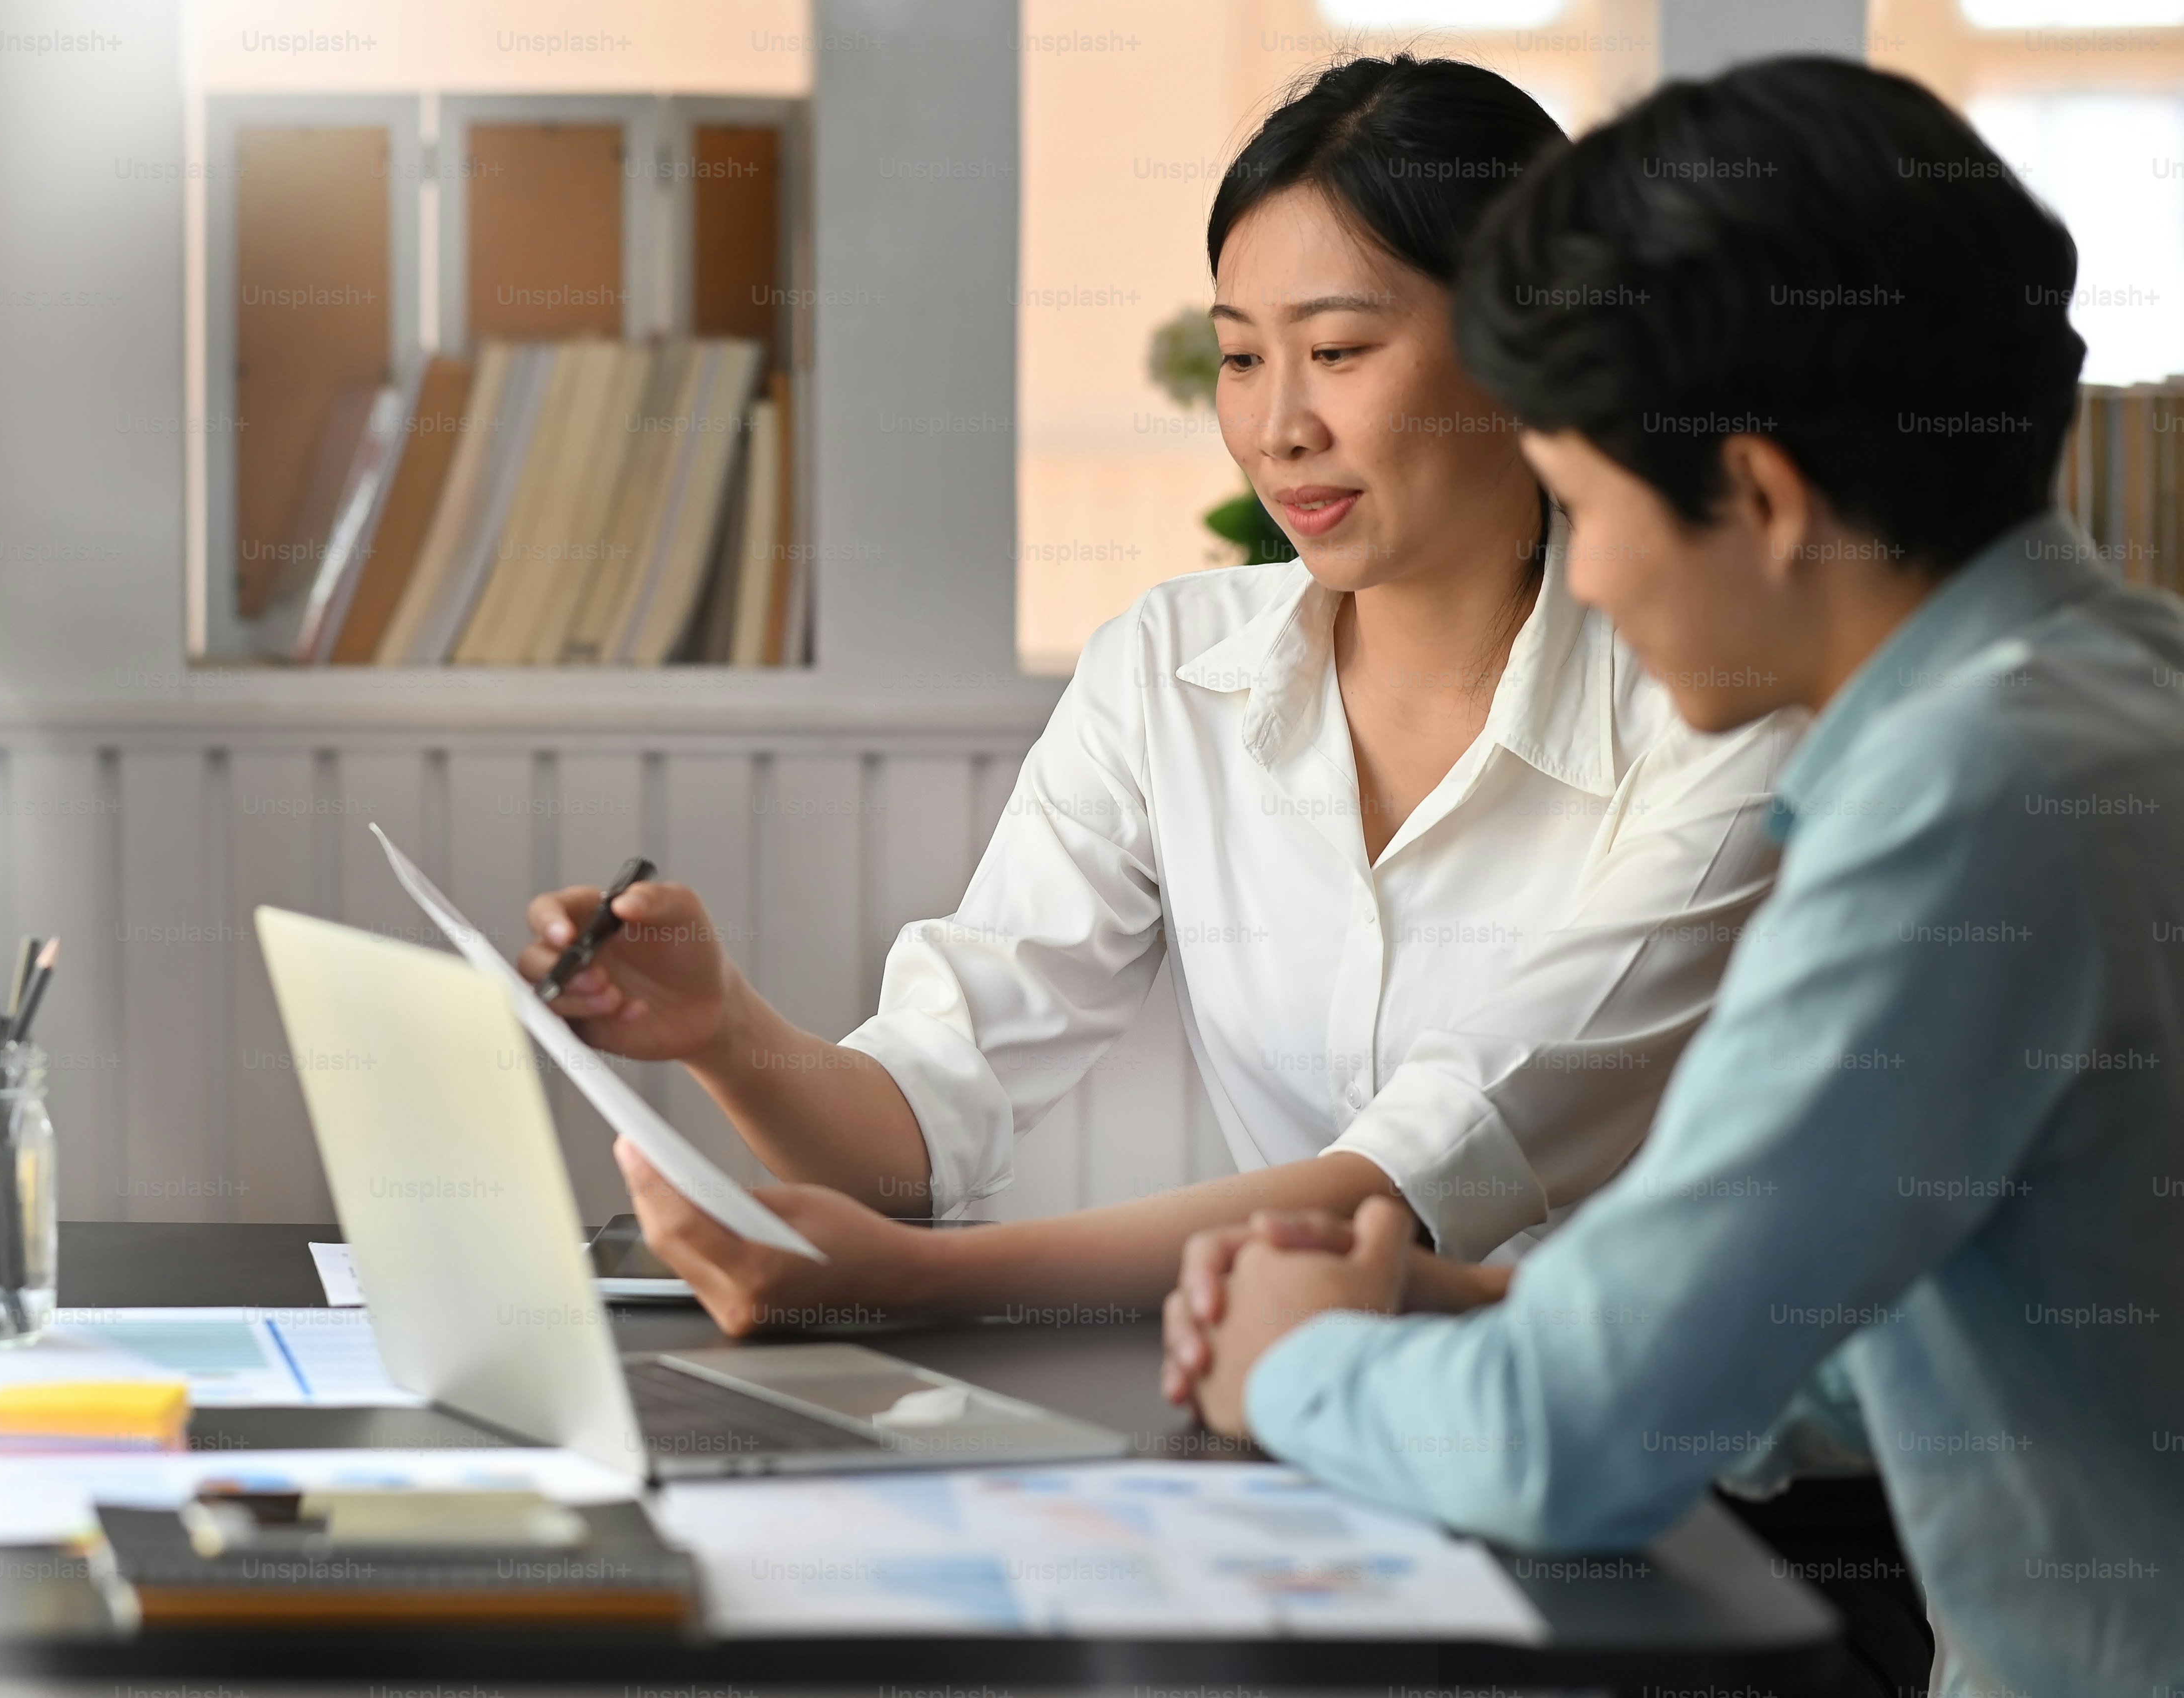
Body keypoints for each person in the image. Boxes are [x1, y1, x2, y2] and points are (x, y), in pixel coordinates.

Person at [1158, 58, 2184, 1698]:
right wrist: (1458, 1303)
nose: (1589, 581)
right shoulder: (2118, 691)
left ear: (1761, 498)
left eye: (1577, 508)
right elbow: (1926, 1332)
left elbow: (1572, 1447)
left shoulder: (1961, 807)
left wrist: (1294, 1367)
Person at [529, 56, 1800, 1327]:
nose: (1276, 426)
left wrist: (925, 1282)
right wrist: (722, 1028)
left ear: (1527, 350)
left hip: (1652, 1443)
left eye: (1341, 350)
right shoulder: (1170, 668)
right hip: (1290, 1406)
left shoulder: (1718, 711)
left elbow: (1428, 1163)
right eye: (1241, 358)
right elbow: (922, 1121)